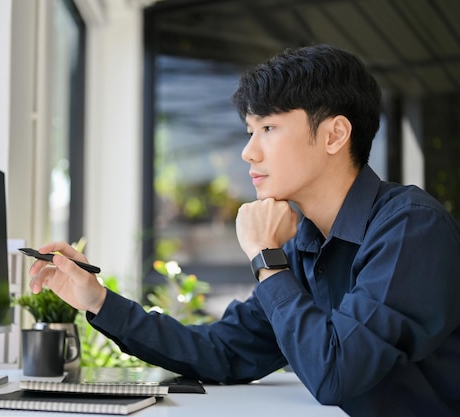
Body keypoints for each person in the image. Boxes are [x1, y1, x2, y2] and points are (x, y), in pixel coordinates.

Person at [27, 44, 460, 417]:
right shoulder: (307, 243)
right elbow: (222, 352)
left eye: (268, 128)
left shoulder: (410, 227)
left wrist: (266, 257)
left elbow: (337, 373)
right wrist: (97, 299)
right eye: (251, 131)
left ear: (335, 134)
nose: (248, 152)